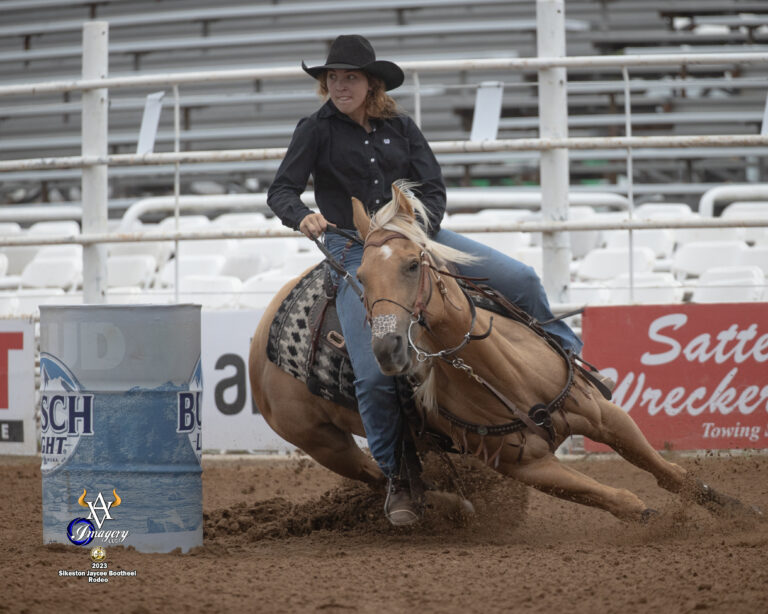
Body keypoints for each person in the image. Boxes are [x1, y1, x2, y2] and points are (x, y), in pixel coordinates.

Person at [267, 34, 583, 526]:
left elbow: (433, 190)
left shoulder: (402, 126)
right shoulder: (315, 129)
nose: (339, 85)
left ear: (372, 83)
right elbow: (281, 190)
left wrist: (416, 234)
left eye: (349, 77)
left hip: (416, 238)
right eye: (332, 77)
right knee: (374, 373)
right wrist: (302, 216)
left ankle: (573, 364)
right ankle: (398, 477)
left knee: (518, 278)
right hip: (352, 248)